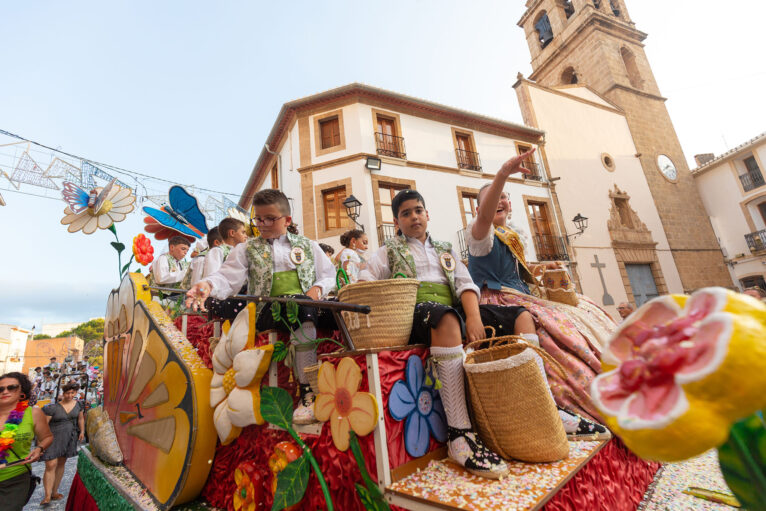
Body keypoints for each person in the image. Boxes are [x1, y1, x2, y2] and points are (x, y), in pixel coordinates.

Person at [359, 189, 544, 479]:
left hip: (452, 310)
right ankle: (460, 435)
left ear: (427, 214)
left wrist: (472, 317)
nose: (414, 217)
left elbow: (465, 284)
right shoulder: (387, 252)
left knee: (520, 316)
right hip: (415, 313)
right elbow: (366, 283)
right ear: (397, 221)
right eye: (405, 213)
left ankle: (542, 408)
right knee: (445, 319)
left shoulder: (446, 248)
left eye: (418, 210)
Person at [466, 152, 617, 422]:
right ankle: (562, 400)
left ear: (509, 204)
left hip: (522, 295)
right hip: (500, 301)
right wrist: (501, 174)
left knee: (585, 308)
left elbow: (518, 271)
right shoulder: (480, 233)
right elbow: (487, 218)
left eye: (503, 196)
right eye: (492, 198)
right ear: (479, 209)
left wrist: (541, 270)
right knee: (555, 324)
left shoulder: (512, 233)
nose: (499, 200)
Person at [186, 189, 335, 425]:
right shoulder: (246, 248)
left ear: (287, 220)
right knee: (300, 307)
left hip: (305, 303)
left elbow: (329, 275)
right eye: (258, 219)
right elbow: (227, 278)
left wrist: (317, 289)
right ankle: (308, 392)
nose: (262, 224)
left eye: (270, 218)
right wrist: (208, 284)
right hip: (268, 310)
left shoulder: (309, 245)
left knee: (337, 309)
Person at [0, 372, 53, 511]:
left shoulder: (33, 413)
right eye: (0, 389)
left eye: (11, 387)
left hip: (14, 478)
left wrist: (39, 449)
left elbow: (47, 437)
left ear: (22, 391)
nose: (5, 391)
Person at [41, 383, 84, 505]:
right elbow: (44, 424)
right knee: (51, 464)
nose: (70, 395)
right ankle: (47, 495)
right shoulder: (53, 407)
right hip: (53, 437)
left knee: (61, 463)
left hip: (69, 437)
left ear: (75, 393)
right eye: (67, 393)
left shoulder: (78, 405)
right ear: (63, 393)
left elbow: (80, 419)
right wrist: (42, 441)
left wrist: (82, 431)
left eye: (72, 393)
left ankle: (54, 492)